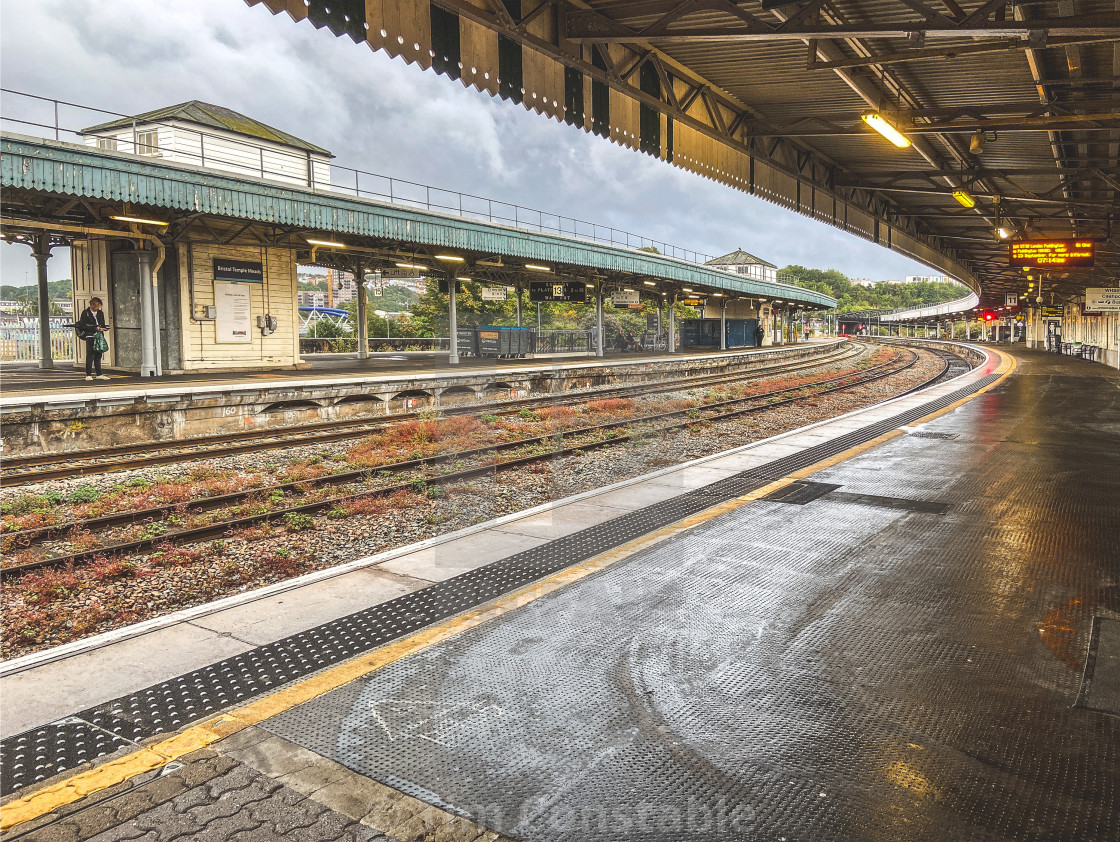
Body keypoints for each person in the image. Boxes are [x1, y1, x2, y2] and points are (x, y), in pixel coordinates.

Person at [77, 297, 111, 381]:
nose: (98, 308)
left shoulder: (100, 313)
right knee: (90, 355)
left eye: (99, 306)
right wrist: (96, 328)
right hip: (90, 336)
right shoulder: (85, 313)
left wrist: (104, 328)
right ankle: (88, 374)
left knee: (98, 355)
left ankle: (99, 373)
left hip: (99, 336)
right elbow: (83, 325)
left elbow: (102, 324)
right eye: (96, 306)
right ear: (92, 305)